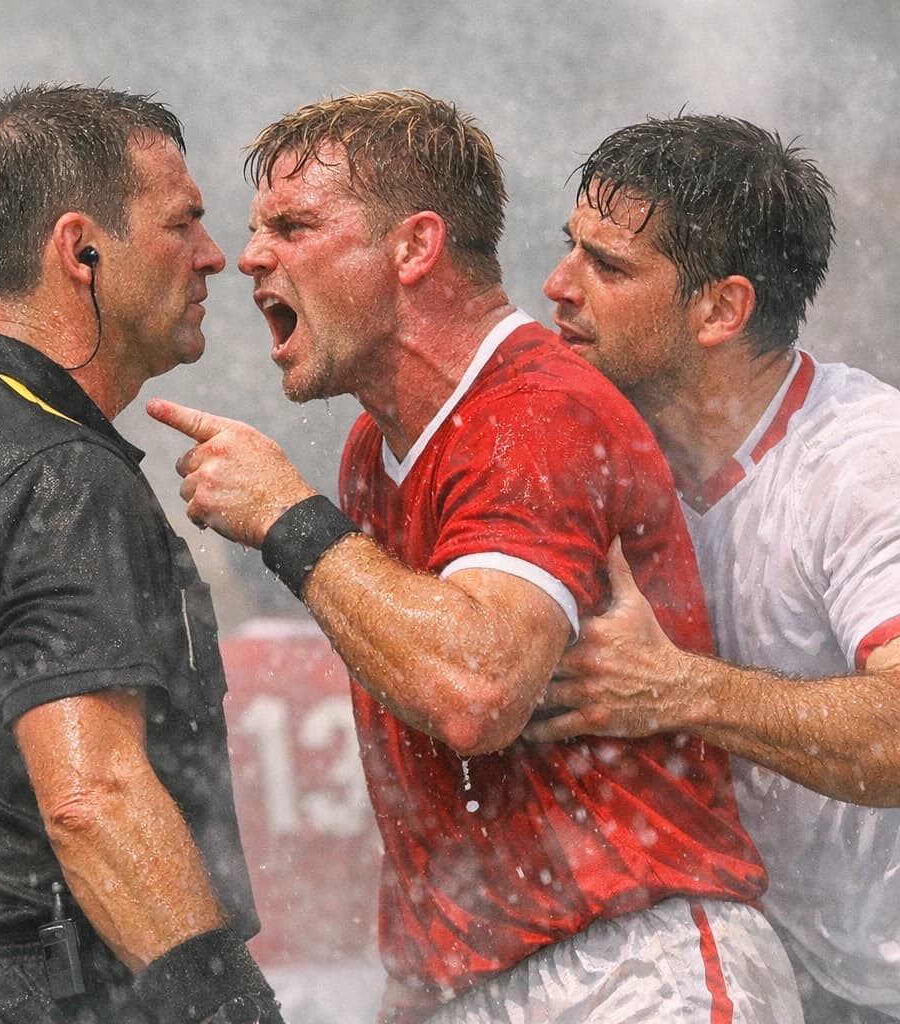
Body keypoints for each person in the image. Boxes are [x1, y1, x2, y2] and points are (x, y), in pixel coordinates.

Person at [147, 90, 802, 1023]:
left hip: (630, 967)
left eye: (293, 227)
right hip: (479, 983)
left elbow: (474, 691)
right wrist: (421, 980)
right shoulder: (373, 450)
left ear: (414, 247)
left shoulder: (534, 410)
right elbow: (434, 771)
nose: (249, 256)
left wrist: (288, 519)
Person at [0, 84, 283, 1024]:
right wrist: (228, 1009)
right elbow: (93, 799)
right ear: (80, 250)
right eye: (182, 223)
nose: (215, 256)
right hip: (46, 993)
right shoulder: (60, 472)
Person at [527, 113, 900, 1023]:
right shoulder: (608, 451)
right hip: (774, 967)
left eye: (607, 266)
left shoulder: (864, 462)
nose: (558, 285)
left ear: (721, 311)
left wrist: (681, 690)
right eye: (569, 247)